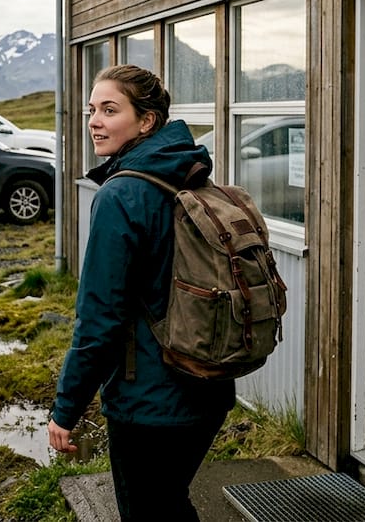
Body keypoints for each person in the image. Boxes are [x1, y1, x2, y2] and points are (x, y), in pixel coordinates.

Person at [48, 64, 234, 521]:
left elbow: (99, 320)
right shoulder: (188, 172)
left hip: (149, 402)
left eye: (110, 110)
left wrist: (65, 409)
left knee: (149, 510)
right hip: (209, 387)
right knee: (170, 502)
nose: (94, 120)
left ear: (146, 121)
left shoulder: (121, 196)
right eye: (92, 110)